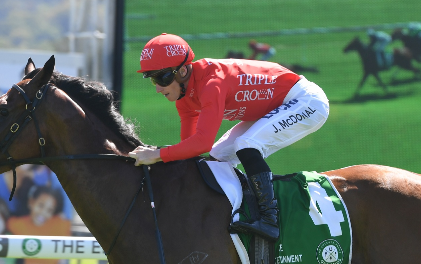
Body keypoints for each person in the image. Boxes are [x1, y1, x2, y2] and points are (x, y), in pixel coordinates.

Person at [128, 33, 330, 241]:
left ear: (183, 70)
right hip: (277, 105)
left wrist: (157, 154)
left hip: (306, 101)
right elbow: (191, 153)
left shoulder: (211, 84)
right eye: (153, 79)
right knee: (216, 158)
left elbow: (201, 142)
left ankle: (270, 220)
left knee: (246, 145)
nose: (158, 88)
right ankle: (228, 211)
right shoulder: (184, 96)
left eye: (162, 77)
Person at [7, 185, 71, 264]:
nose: (43, 213)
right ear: (31, 203)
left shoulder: (61, 225)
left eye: (49, 210)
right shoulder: (15, 224)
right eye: (41, 205)